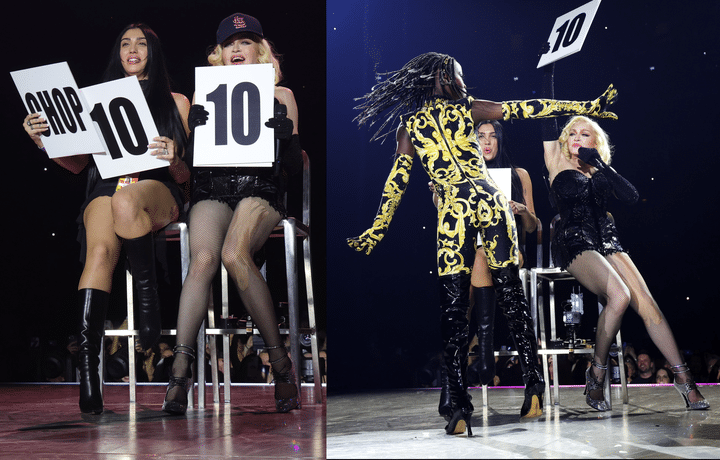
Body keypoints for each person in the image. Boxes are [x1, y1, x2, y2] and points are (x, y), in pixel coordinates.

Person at [348, 51, 619, 435]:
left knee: (455, 310)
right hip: (489, 203)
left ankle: (459, 405)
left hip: (454, 211)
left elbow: (397, 181)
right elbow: (526, 108)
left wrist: (378, 227)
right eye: (456, 76)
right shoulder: (468, 110)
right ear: (438, 76)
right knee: (510, 298)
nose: (462, 82)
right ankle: (533, 385)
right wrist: (587, 105)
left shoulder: (411, 126)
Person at [23, 23, 190, 414]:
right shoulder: (94, 101)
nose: (132, 49)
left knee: (127, 201)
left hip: (157, 189)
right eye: (125, 43)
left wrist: (176, 158)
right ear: (117, 52)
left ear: (155, 51)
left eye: (142, 43)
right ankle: (87, 369)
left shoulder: (177, 101)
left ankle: (148, 307)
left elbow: (186, 177)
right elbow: (79, 164)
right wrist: (45, 142)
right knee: (98, 250)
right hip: (106, 187)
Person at [539, 59, 709, 411]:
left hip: (608, 240)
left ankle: (683, 377)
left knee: (649, 307)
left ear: (595, 141)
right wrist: (548, 70)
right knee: (617, 295)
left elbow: (630, 196)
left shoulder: (599, 167)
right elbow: (547, 111)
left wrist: (599, 163)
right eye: (572, 132)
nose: (575, 138)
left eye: (584, 133)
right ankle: (597, 374)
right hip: (574, 240)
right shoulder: (555, 158)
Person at [162, 12, 303, 415]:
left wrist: (286, 137)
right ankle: (180, 369)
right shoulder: (203, 94)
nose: (236, 48)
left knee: (233, 253)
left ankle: (280, 366)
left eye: (245, 42)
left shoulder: (282, 94)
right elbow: (188, 170)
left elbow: (294, 167)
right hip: (213, 188)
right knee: (203, 258)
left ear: (260, 50)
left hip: (260, 189)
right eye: (229, 44)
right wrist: (191, 135)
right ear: (218, 55)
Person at [433, 120, 540, 417]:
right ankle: (483, 360)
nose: (487, 142)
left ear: (500, 140)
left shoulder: (519, 175)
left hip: (509, 252)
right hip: (472, 255)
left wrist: (521, 210)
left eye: (493, 136)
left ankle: (455, 384)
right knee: (465, 269)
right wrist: (440, 192)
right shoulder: (461, 177)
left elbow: (535, 226)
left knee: (473, 269)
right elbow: (447, 221)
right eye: (480, 136)